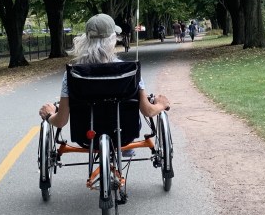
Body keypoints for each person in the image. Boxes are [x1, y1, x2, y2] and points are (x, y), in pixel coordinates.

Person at [38, 13, 171, 130]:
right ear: (112, 40)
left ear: (86, 40)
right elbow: (148, 111)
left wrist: (50, 114)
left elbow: (61, 121)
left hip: (85, 134)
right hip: (124, 134)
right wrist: (161, 105)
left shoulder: (73, 73)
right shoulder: (129, 71)